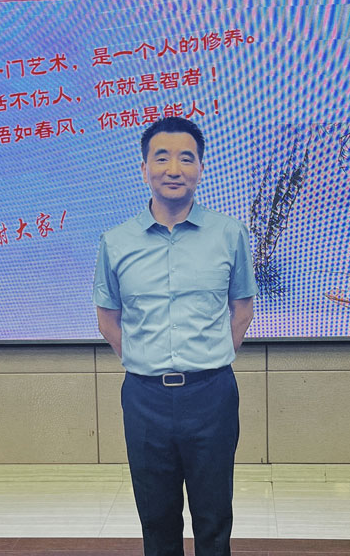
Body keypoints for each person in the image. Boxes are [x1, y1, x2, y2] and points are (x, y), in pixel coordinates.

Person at [93, 116, 257, 556]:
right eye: (161, 158)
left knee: (214, 517)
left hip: (212, 395)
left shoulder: (229, 234)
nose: (173, 169)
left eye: (186, 158)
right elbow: (108, 318)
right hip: (144, 399)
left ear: (201, 167)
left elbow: (242, 310)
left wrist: (211, 356)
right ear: (143, 167)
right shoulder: (116, 241)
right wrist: (144, 359)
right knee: (156, 519)